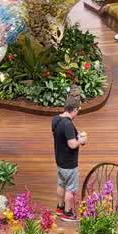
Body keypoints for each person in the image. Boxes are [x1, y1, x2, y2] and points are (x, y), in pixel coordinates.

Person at [52, 93, 85, 221]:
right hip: (69, 163)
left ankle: (60, 208)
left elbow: (62, 136)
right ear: (75, 109)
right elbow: (72, 144)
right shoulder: (68, 124)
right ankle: (68, 213)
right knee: (70, 189)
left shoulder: (56, 119)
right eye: (78, 110)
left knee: (61, 184)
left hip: (59, 161)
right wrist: (81, 140)